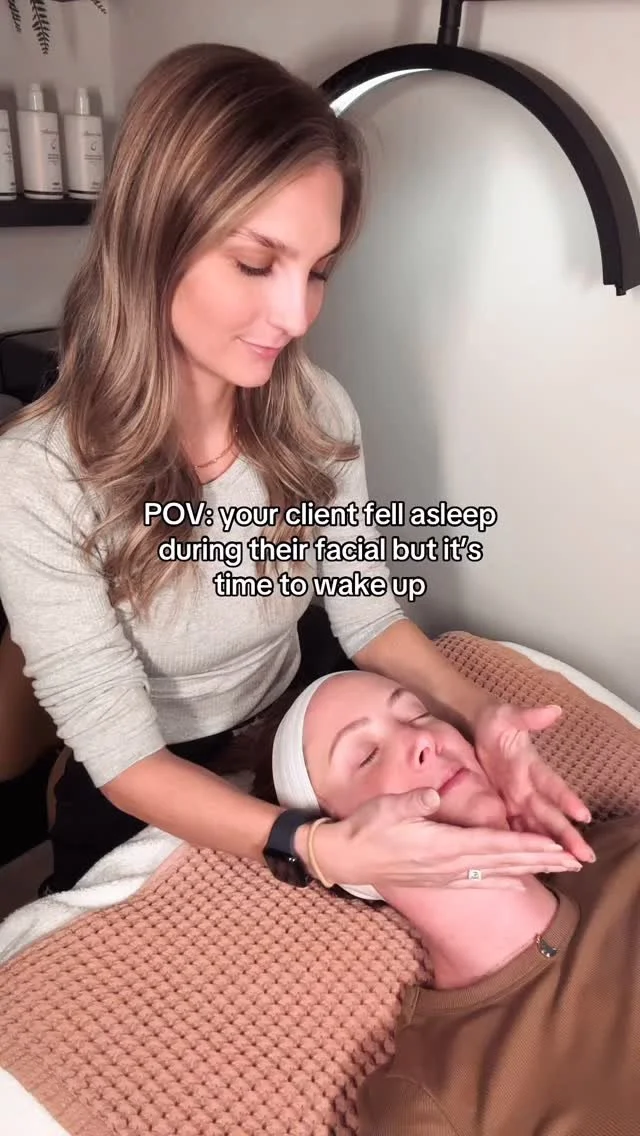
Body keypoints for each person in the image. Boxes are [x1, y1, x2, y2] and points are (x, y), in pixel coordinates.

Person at [0, 43, 590, 900]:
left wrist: (480, 714)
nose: (296, 315)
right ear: (151, 240)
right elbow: (124, 758)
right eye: (255, 263)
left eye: (318, 272)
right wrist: (311, 847)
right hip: (151, 766)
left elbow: (366, 612)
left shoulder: (316, 411)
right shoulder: (37, 480)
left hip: (301, 702)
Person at [271, 668, 640, 1135]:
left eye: (418, 714)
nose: (424, 739)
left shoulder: (626, 845)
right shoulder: (428, 1099)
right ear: (343, 859)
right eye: (366, 756)